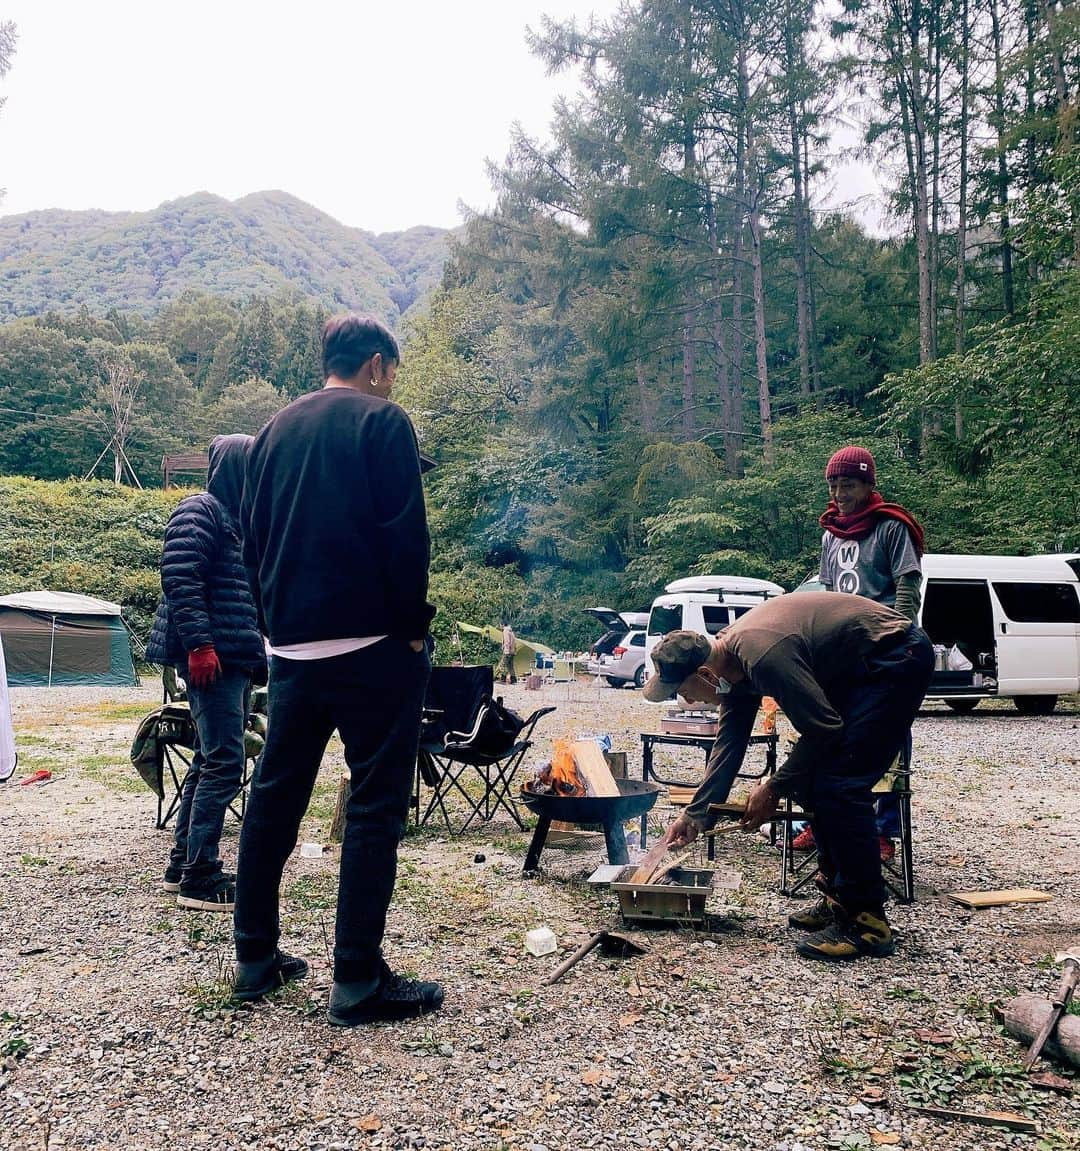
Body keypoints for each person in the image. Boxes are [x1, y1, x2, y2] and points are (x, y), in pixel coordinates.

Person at [232, 313, 442, 1025]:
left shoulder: (271, 433)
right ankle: (356, 978)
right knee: (375, 804)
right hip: (373, 646)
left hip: (291, 649)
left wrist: (271, 628)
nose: (393, 383)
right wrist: (413, 630)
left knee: (274, 799)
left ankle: (255, 958)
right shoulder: (382, 423)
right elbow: (403, 535)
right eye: (394, 371)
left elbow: (251, 539)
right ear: (378, 364)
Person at [646, 591, 933, 962]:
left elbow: (825, 730)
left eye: (685, 691)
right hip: (857, 666)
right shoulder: (730, 667)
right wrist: (696, 815)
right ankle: (838, 900)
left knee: (842, 784)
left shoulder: (763, 657)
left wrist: (774, 786)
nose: (690, 701)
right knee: (812, 783)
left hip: (894, 657)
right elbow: (728, 747)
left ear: (704, 674)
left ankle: (867, 923)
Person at [146, 434, 267, 912]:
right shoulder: (202, 508)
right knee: (222, 763)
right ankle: (201, 876)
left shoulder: (237, 522)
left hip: (232, 659)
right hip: (212, 658)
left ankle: (183, 866)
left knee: (208, 759)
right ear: (237, 467)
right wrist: (199, 645)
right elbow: (179, 574)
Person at [792, 445, 925, 863]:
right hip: (843, 650)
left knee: (886, 736)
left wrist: (895, 637)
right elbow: (828, 593)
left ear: (869, 485)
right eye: (833, 484)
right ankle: (822, 820)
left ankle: (883, 831)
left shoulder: (891, 527)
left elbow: (907, 586)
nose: (839, 493)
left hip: (887, 650)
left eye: (847, 484)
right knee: (829, 730)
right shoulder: (831, 532)